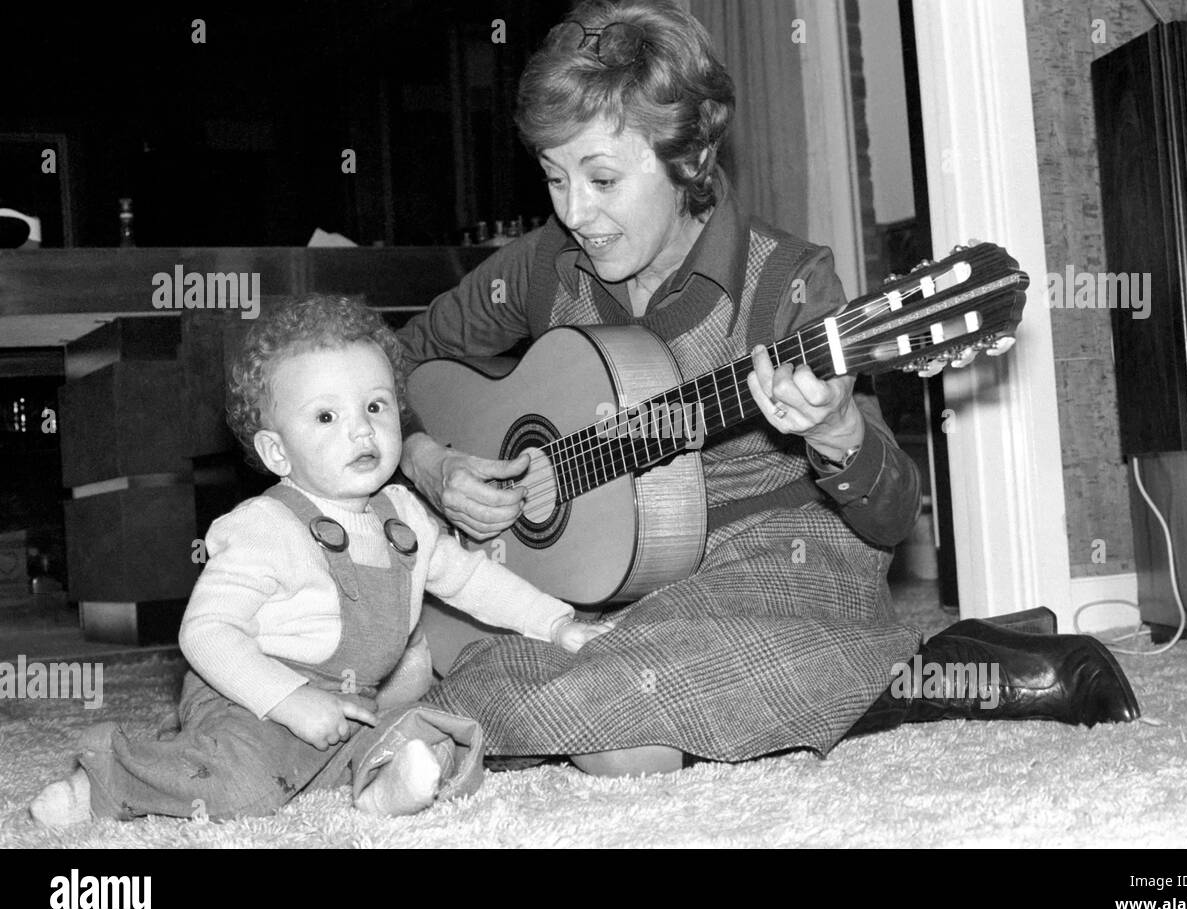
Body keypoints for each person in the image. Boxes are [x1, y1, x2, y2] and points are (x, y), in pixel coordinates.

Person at [398, 0, 1139, 777]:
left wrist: (837, 433)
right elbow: (397, 356)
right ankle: (853, 676)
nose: (576, 212)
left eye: (604, 178)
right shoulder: (544, 266)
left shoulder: (787, 283)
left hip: (780, 566)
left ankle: (934, 666)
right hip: (613, 588)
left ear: (687, 158)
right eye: (555, 176)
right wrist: (427, 459)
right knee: (567, 698)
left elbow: (890, 518)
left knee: (601, 732)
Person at [30, 296, 607, 826]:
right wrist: (289, 700)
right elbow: (205, 633)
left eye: (376, 406)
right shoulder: (264, 527)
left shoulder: (403, 513)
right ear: (277, 451)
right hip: (246, 692)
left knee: (440, 735)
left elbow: (473, 579)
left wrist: (556, 622)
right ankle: (107, 780)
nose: (361, 428)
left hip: (352, 700)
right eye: (326, 417)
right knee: (243, 786)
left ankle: (383, 791)